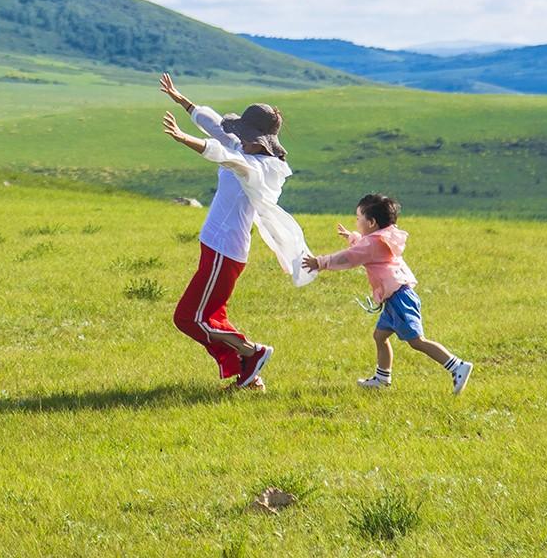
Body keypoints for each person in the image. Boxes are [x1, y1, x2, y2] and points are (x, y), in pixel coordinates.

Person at [159, 73, 312, 391]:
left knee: (189, 318)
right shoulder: (244, 146)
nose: (238, 136)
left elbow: (225, 156)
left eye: (244, 133)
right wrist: (182, 100)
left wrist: (184, 139)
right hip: (216, 247)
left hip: (225, 250)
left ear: (261, 140)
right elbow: (216, 125)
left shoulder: (257, 169)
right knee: (213, 318)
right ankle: (249, 376)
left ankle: (252, 351)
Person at [303, 193, 473, 394]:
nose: (356, 222)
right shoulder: (383, 237)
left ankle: (457, 366)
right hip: (396, 296)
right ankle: (382, 378)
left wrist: (320, 263)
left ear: (372, 222)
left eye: (358, 219)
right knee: (380, 336)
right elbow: (365, 246)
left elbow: (349, 258)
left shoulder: (372, 244)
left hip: (399, 298)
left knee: (417, 341)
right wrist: (352, 236)